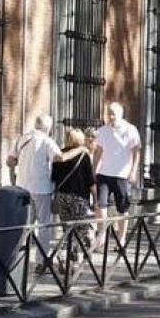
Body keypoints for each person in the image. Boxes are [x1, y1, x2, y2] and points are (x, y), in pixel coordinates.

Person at [7, 115, 61, 256]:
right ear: (48, 128)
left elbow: (10, 161)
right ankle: (42, 260)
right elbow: (58, 158)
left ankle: (17, 258)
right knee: (44, 225)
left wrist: (15, 175)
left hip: (22, 188)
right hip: (42, 189)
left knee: (24, 225)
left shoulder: (22, 139)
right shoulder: (47, 141)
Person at [92, 102, 142, 241]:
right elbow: (98, 151)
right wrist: (94, 169)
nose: (111, 116)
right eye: (109, 113)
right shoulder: (103, 130)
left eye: (114, 114)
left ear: (121, 114)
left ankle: (121, 237)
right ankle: (101, 235)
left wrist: (133, 172)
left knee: (122, 208)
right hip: (104, 173)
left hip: (122, 174)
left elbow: (136, 152)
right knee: (100, 204)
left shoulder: (130, 129)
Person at [50, 128, 97, 268]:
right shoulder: (84, 156)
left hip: (62, 197)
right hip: (79, 198)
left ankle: (66, 256)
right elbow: (91, 181)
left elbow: (54, 178)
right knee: (82, 229)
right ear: (80, 140)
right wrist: (96, 199)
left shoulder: (59, 155)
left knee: (68, 229)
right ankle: (71, 258)